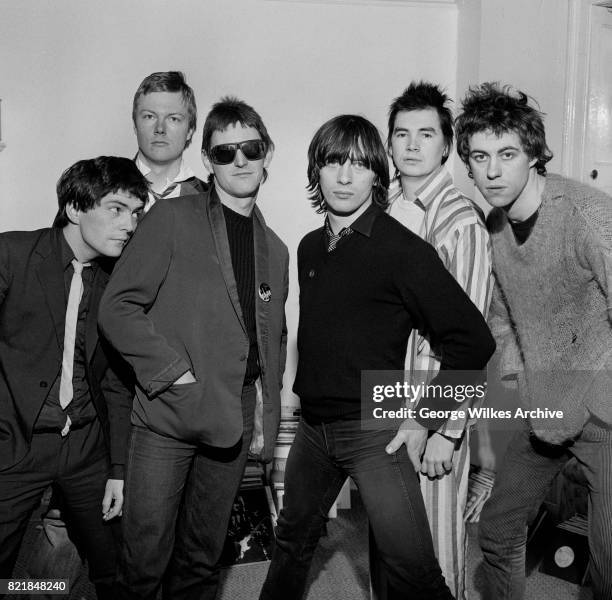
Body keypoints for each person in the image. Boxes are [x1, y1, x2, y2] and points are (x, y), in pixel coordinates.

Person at [259, 114, 495, 600]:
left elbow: (474, 341)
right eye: (332, 162)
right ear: (315, 172)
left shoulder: (402, 250)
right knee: (290, 543)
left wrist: (424, 420)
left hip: (375, 431)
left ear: (376, 175)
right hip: (312, 431)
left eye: (359, 164)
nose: (344, 176)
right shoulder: (308, 247)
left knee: (414, 572)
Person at [98, 96, 289, 600]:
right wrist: (173, 373)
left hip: (233, 416)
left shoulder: (277, 250)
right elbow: (118, 307)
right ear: (207, 160)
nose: (240, 161)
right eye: (225, 153)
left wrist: (264, 418)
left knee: (202, 559)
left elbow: (273, 341)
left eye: (250, 148)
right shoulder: (173, 218)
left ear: (267, 152)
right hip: (168, 413)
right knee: (143, 561)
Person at [455, 82, 612, 600]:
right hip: (541, 408)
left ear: (533, 155)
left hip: (604, 415)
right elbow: (502, 319)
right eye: (480, 157)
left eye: (507, 154)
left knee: (610, 565)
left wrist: (583, 391)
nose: (493, 170)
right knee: (497, 532)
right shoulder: (495, 227)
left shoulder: (588, 215)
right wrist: (523, 380)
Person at [0, 156, 148, 599]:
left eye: (136, 212)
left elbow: (117, 384)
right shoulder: (12, 254)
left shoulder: (116, 282)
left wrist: (119, 469)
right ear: (76, 208)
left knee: (117, 570)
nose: (130, 224)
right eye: (117, 209)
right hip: (16, 445)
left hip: (86, 449)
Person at [385, 81, 492, 599]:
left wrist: (449, 432)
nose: (412, 145)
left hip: (433, 406)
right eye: (401, 133)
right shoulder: (380, 209)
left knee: (435, 548)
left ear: (446, 146)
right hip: (383, 398)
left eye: (425, 134)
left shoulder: (459, 222)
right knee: (391, 539)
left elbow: (470, 342)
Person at [132, 71, 207, 211]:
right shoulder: (102, 189)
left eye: (173, 119)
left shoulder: (210, 201)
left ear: (190, 130)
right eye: (149, 116)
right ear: (135, 125)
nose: (160, 128)